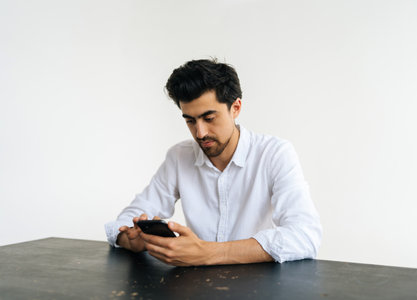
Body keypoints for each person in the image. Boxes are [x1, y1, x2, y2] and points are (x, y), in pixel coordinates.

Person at [105, 58, 322, 266]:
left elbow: (305, 236)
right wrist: (131, 240)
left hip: (257, 286)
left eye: (209, 118)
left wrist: (206, 253)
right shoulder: (179, 157)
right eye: (190, 121)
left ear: (235, 108)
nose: (200, 133)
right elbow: (123, 221)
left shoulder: (274, 153)